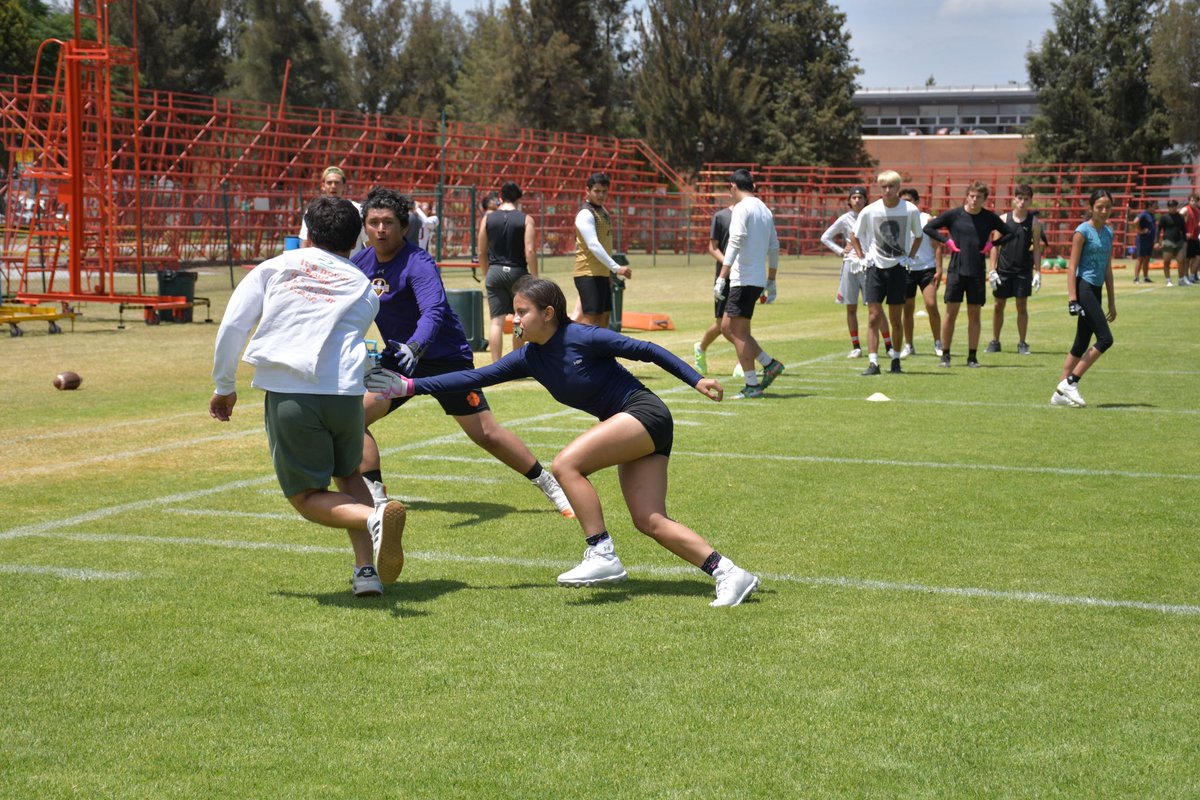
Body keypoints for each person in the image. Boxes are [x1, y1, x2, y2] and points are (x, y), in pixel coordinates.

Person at [365, 276, 761, 607]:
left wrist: (696, 379)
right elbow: (471, 379)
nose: (514, 319)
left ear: (548, 313)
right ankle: (730, 573)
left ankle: (601, 552)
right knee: (650, 521)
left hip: (644, 413)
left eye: (522, 312)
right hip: (629, 423)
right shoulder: (531, 357)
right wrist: (410, 385)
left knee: (566, 464)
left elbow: (646, 349)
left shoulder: (582, 337)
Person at [210, 196, 406, 597]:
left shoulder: (275, 267)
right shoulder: (363, 284)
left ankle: (374, 518)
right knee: (349, 474)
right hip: (347, 393)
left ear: (307, 232)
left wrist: (224, 386)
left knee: (305, 496)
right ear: (356, 239)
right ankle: (366, 571)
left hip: (291, 390)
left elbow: (233, 325)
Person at [351, 187, 575, 523]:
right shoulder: (361, 263)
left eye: (388, 222)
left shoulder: (419, 263)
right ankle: (379, 504)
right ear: (365, 227)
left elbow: (434, 311)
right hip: (400, 358)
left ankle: (549, 484)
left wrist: (416, 346)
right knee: (352, 420)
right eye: (373, 223)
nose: (380, 229)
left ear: (403, 226)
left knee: (485, 434)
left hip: (445, 358)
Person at [922, 181, 1014, 368]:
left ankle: (972, 357)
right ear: (967, 196)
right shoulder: (954, 215)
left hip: (977, 272)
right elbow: (928, 228)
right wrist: (946, 241)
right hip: (956, 270)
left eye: (978, 197)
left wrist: (992, 245)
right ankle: (945, 355)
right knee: (951, 313)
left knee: (975, 314)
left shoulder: (989, 218)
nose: (974, 200)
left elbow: (1010, 233)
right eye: (971, 196)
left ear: (984, 199)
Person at [716, 168, 786, 397]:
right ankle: (768, 364)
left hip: (742, 278)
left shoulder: (741, 208)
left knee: (738, 332)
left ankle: (753, 384)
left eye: (729, 189)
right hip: (754, 279)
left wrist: (722, 277)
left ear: (733, 187)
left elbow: (735, 241)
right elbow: (774, 247)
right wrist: (771, 280)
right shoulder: (764, 209)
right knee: (728, 327)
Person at [849, 170, 923, 376]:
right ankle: (873, 363)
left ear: (898, 187)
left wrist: (910, 256)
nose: (887, 191)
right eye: (884, 187)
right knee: (873, 316)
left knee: (895, 318)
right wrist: (862, 256)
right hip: (875, 268)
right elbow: (854, 235)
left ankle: (896, 359)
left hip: (898, 269)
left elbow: (918, 236)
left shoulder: (910, 210)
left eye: (891, 186)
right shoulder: (870, 210)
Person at [1051, 189, 1117, 408]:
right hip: (1084, 288)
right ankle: (1071, 382)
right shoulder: (1082, 231)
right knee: (1106, 339)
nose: (1104, 210)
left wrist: (1111, 301)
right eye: (1099, 206)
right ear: (1091, 208)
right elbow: (1072, 267)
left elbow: (1107, 268)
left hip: (1096, 291)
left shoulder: (1108, 232)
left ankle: (1058, 393)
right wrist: (1072, 299)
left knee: (1080, 343)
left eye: (1107, 206)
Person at [822, 185, 893, 359]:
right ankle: (856, 346)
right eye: (853, 197)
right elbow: (825, 237)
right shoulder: (845, 219)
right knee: (851, 306)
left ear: (865, 200)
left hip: (869, 264)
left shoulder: (872, 215)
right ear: (849, 200)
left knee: (875, 307)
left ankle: (889, 345)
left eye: (860, 197)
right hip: (850, 265)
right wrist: (840, 251)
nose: (857, 200)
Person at [480, 181, 538, 364]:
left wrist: (486, 273)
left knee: (496, 321)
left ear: (500, 197)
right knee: (518, 320)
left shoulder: (487, 219)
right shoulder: (526, 219)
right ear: (519, 198)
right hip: (518, 273)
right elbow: (530, 251)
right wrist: (534, 277)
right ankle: (516, 362)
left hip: (495, 271)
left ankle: (497, 365)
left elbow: (481, 251)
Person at [987, 184, 1043, 356]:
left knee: (1021, 306)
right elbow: (995, 246)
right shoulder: (1003, 220)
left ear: (1030, 201)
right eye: (1020, 198)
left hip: (1023, 270)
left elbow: (1036, 248)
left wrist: (1038, 271)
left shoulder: (1034, 223)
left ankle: (1022, 343)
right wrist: (992, 270)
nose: (1022, 202)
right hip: (1003, 270)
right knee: (998, 306)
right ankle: (995, 341)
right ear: (1014, 199)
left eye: (1026, 199)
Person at [573, 172, 632, 329]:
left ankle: (600, 354)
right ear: (588, 190)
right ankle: (579, 353)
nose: (601, 195)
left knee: (604, 319)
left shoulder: (603, 212)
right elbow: (593, 245)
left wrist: (609, 273)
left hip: (601, 274)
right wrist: (616, 268)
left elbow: (605, 245)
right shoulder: (585, 214)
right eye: (597, 191)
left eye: (604, 191)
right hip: (587, 273)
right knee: (591, 321)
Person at [897, 188, 942, 358]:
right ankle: (908, 345)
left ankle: (938, 342)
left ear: (917, 202)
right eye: (903, 201)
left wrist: (939, 269)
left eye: (909, 200)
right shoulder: (898, 219)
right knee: (907, 309)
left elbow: (936, 245)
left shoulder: (926, 219)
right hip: (907, 269)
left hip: (926, 268)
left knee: (931, 304)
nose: (906, 204)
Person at [692, 201, 736, 373]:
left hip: (744, 277)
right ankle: (701, 348)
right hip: (725, 277)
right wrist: (728, 263)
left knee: (739, 323)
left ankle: (743, 363)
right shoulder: (721, 216)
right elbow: (712, 247)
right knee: (722, 324)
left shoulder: (751, 215)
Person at [298, 166, 367, 256]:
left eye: (337, 183)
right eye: (329, 183)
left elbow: (368, 244)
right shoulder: (313, 210)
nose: (333, 186)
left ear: (344, 187)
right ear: (323, 186)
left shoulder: (358, 210)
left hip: (349, 267)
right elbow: (305, 243)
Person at [1158, 198, 1186, 286]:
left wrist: (1185, 240)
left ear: (1176, 207)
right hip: (1168, 241)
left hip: (1179, 241)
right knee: (1166, 262)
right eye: (1170, 206)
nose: (1172, 208)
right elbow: (1159, 229)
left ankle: (1181, 280)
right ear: (1168, 207)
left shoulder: (1180, 217)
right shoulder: (1164, 217)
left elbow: (1184, 229)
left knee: (1181, 261)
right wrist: (1157, 241)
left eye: (1174, 206)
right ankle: (1168, 280)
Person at [1131, 203, 1156, 284]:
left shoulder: (1151, 215)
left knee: (1147, 259)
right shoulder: (1144, 214)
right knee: (1140, 258)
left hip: (1149, 240)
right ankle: (1136, 278)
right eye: (1154, 206)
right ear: (1149, 206)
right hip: (1143, 240)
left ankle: (1145, 277)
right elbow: (1135, 221)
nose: (1155, 208)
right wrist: (1139, 231)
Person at [1183, 193, 1200, 285]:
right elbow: (1179, 215)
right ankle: (1185, 277)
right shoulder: (1186, 209)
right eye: (1191, 200)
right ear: (1189, 201)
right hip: (1188, 238)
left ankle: (1192, 276)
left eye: (1195, 201)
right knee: (1187, 259)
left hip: (1195, 237)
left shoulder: (1197, 211)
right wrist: (1184, 232)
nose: (1193, 202)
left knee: (1197, 258)